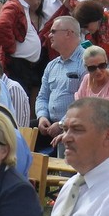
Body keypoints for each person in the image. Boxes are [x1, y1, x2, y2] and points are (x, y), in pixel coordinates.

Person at [0, 0, 45, 99]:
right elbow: (1, 26)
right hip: (18, 66)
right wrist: (11, 48)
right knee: (18, 99)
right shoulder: (14, 5)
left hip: (23, 65)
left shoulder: (20, 6)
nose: (38, 0)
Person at [36, 16, 84, 144]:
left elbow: (85, 101)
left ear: (68, 33)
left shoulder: (87, 62)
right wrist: (42, 116)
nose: (49, 35)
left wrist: (62, 123)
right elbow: (42, 97)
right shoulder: (51, 65)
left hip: (74, 128)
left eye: (53, 31)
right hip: (49, 126)